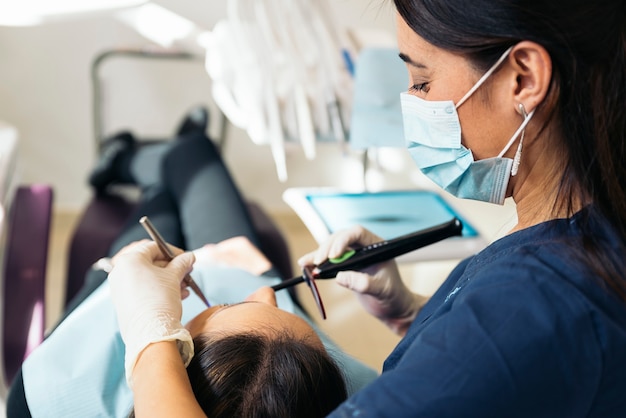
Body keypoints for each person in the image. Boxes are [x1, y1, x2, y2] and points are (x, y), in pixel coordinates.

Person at [112, 0, 626, 416]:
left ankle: (154, 161)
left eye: (422, 81)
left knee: (187, 168)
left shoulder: (530, 307)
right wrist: (419, 317)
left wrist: (151, 338)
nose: (412, 104)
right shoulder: (591, 231)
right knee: (188, 170)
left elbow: (508, 348)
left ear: (523, 79)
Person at [5, 122, 377, 417]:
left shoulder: (43, 399)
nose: (267, 294)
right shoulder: (362, 394)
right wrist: (407, 316)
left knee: (175, 179)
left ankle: (125, 161)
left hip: (126, 284)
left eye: (225, 307)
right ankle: (157, 156)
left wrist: (128, 294)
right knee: (193, 154)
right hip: (236, 261)